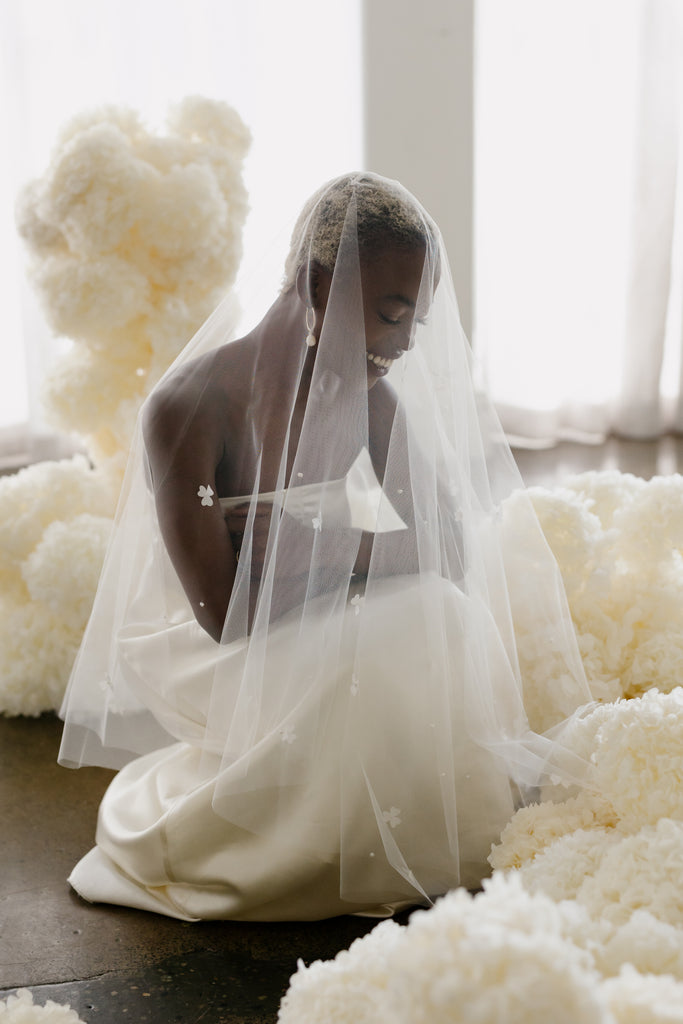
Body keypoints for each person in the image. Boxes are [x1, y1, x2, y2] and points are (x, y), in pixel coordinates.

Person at [58, 173, 592, 921]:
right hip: (213, 644)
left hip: (313, 599)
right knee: (393, 639)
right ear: (316, 284)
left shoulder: (365, 392)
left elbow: (448, 547)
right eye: (390, 315)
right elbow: (221, 613)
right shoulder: (188, 407)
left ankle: (409, 834)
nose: (404, 345)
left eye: (416, 324)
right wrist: (349, 555)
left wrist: (333, 544)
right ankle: (295, 853)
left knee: (439, 611)